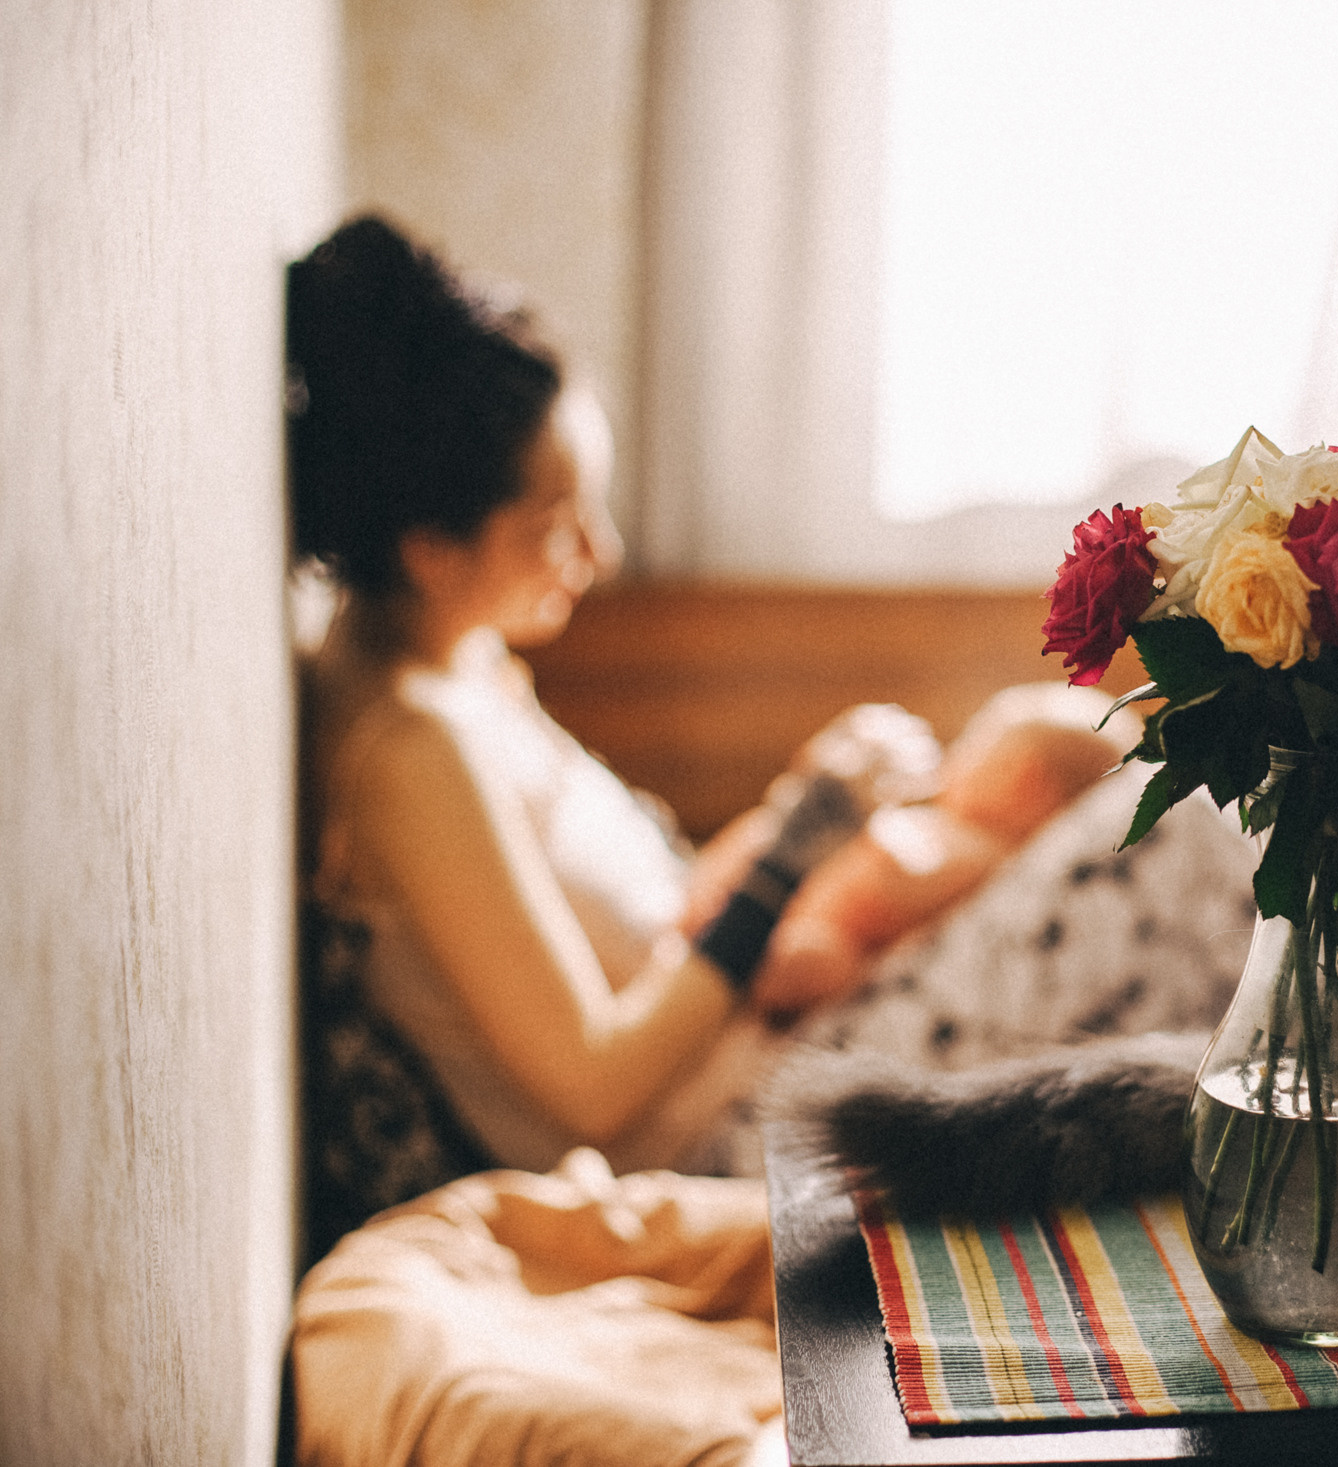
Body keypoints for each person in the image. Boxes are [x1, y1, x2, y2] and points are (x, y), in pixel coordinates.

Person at [289, 217, 1257, 1252]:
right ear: (429, 547)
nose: (600, 552)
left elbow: (656, 921)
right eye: (554, 529)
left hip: (766, 1024)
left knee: (1064, 751)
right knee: (1181, 832)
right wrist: (802, 840)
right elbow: (590, 1086)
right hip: (734, 1126)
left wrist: (810, 834)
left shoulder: (463, 662)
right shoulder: (410, 754)